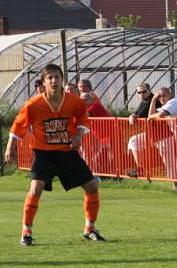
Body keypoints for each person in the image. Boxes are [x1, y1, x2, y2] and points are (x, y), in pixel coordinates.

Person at [4, 63, 105, 246]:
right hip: (44, 154)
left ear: (62, 80)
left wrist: (79, 135)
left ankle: (90, 229)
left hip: (67, 153)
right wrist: (10, 146)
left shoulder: (73, 101)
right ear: (44, 82)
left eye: (57, 77)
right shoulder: (34, 104)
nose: (54, 80)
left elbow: (83, 117)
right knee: (36, 188)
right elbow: (20, 123)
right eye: (50, 77)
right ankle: (26, 232)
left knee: (92, 186)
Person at [127, 87, 177, 187]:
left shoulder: (173, 102)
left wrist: (151, 117)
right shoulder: (163, 105)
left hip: (169, 135)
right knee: (133, 141)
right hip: (158, 135)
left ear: (170, 94)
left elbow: (160, 115)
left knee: (170, 161)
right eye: (159, 96)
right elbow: (151, 114)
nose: (161, 98)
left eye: (164, 95)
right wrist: (153, 100)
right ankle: (141, 168)